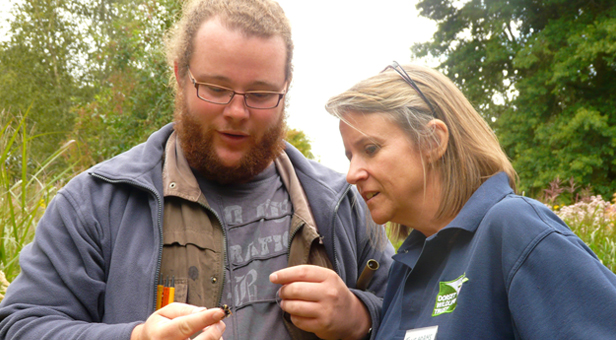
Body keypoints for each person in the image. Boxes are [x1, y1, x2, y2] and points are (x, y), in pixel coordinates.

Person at [0, 1, 394, 339]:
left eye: (260, 94)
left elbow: (420, 311)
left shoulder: (343, 202)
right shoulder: (95, 201)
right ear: (179, 77)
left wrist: (359, 317)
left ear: (285, 88)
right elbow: (22, 325)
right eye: (216, 88)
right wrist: (136, 336)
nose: (237, 112)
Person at [325, 62, 616, 339]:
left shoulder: (515, 229)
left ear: (433, 141)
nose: (352, 174)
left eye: (371, 148)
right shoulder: (406, 265)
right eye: (350, 156)